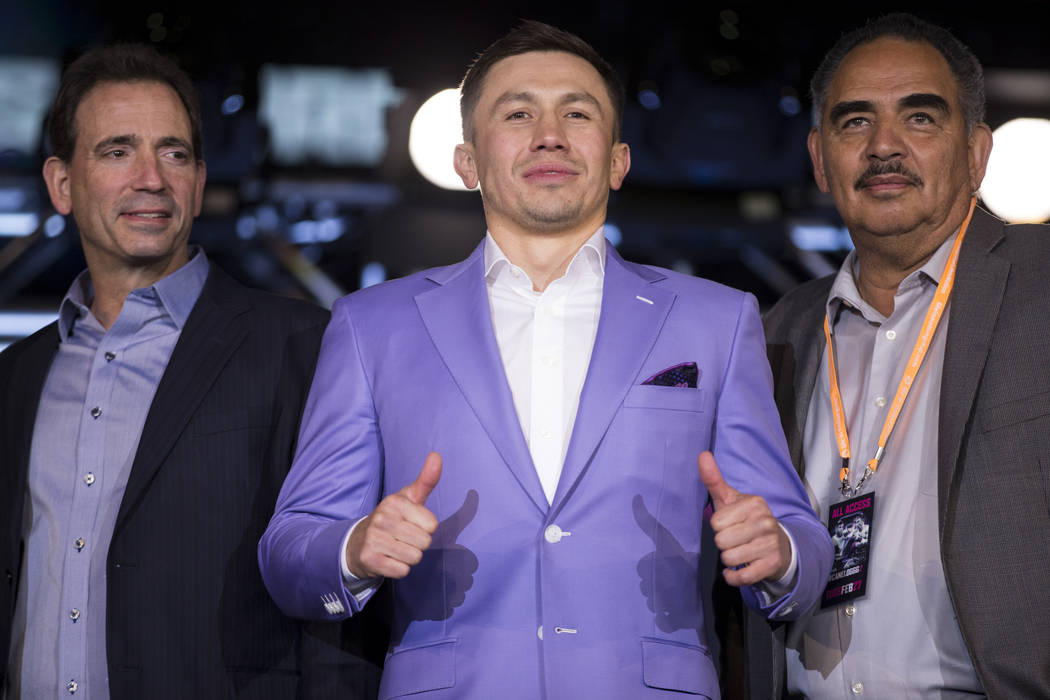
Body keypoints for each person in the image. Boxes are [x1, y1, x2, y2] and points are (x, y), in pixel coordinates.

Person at [259, 21, 831, 699]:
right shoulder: (372, 325)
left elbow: (802, 540)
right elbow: (289, 551)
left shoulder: (716, 320)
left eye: (577, 113)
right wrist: (354, 548)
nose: (550, 134)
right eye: (518, 114)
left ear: (618, 160)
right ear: (467, 161)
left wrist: (779, 553)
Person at [0, 45, 382, 699]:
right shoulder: (17, 376)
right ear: (61, 184)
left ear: (199, 183)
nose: (151, 178)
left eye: (173, 154)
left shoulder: (302, 345)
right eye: (117, 151)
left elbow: (342, 610)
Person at [751, 12, 1050, 699]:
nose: (884, 146)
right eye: (855, 121)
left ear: (976, 153)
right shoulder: (775, 333)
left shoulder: (1042, 284)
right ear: (819, 158)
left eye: (920, 118)